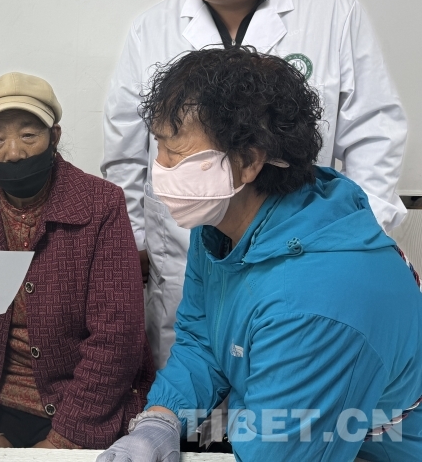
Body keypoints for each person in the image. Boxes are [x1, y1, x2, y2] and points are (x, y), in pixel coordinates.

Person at [102, 0, 407, 370]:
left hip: (304, 259)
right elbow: (125, 156)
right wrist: (133, 249)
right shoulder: (150, 30)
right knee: (190, 390)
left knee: (288, 390)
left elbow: (375, 136)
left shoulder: (333, 15)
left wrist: (352, 247)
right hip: (183, 263)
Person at [98, 47, 422, 462]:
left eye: (175, 154)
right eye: (157, 145)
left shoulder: (313, 303)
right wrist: (161, 420)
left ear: (248, 161)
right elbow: (202, 338)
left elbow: (280, 453)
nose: (159, 167)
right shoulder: (221, 225)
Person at [0, 72, 154, 450]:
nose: (14, 153)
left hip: (79, 406)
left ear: (54, 137)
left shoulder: (101, 205)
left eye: (28, 135)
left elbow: (117, 338)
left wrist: (59, 444)